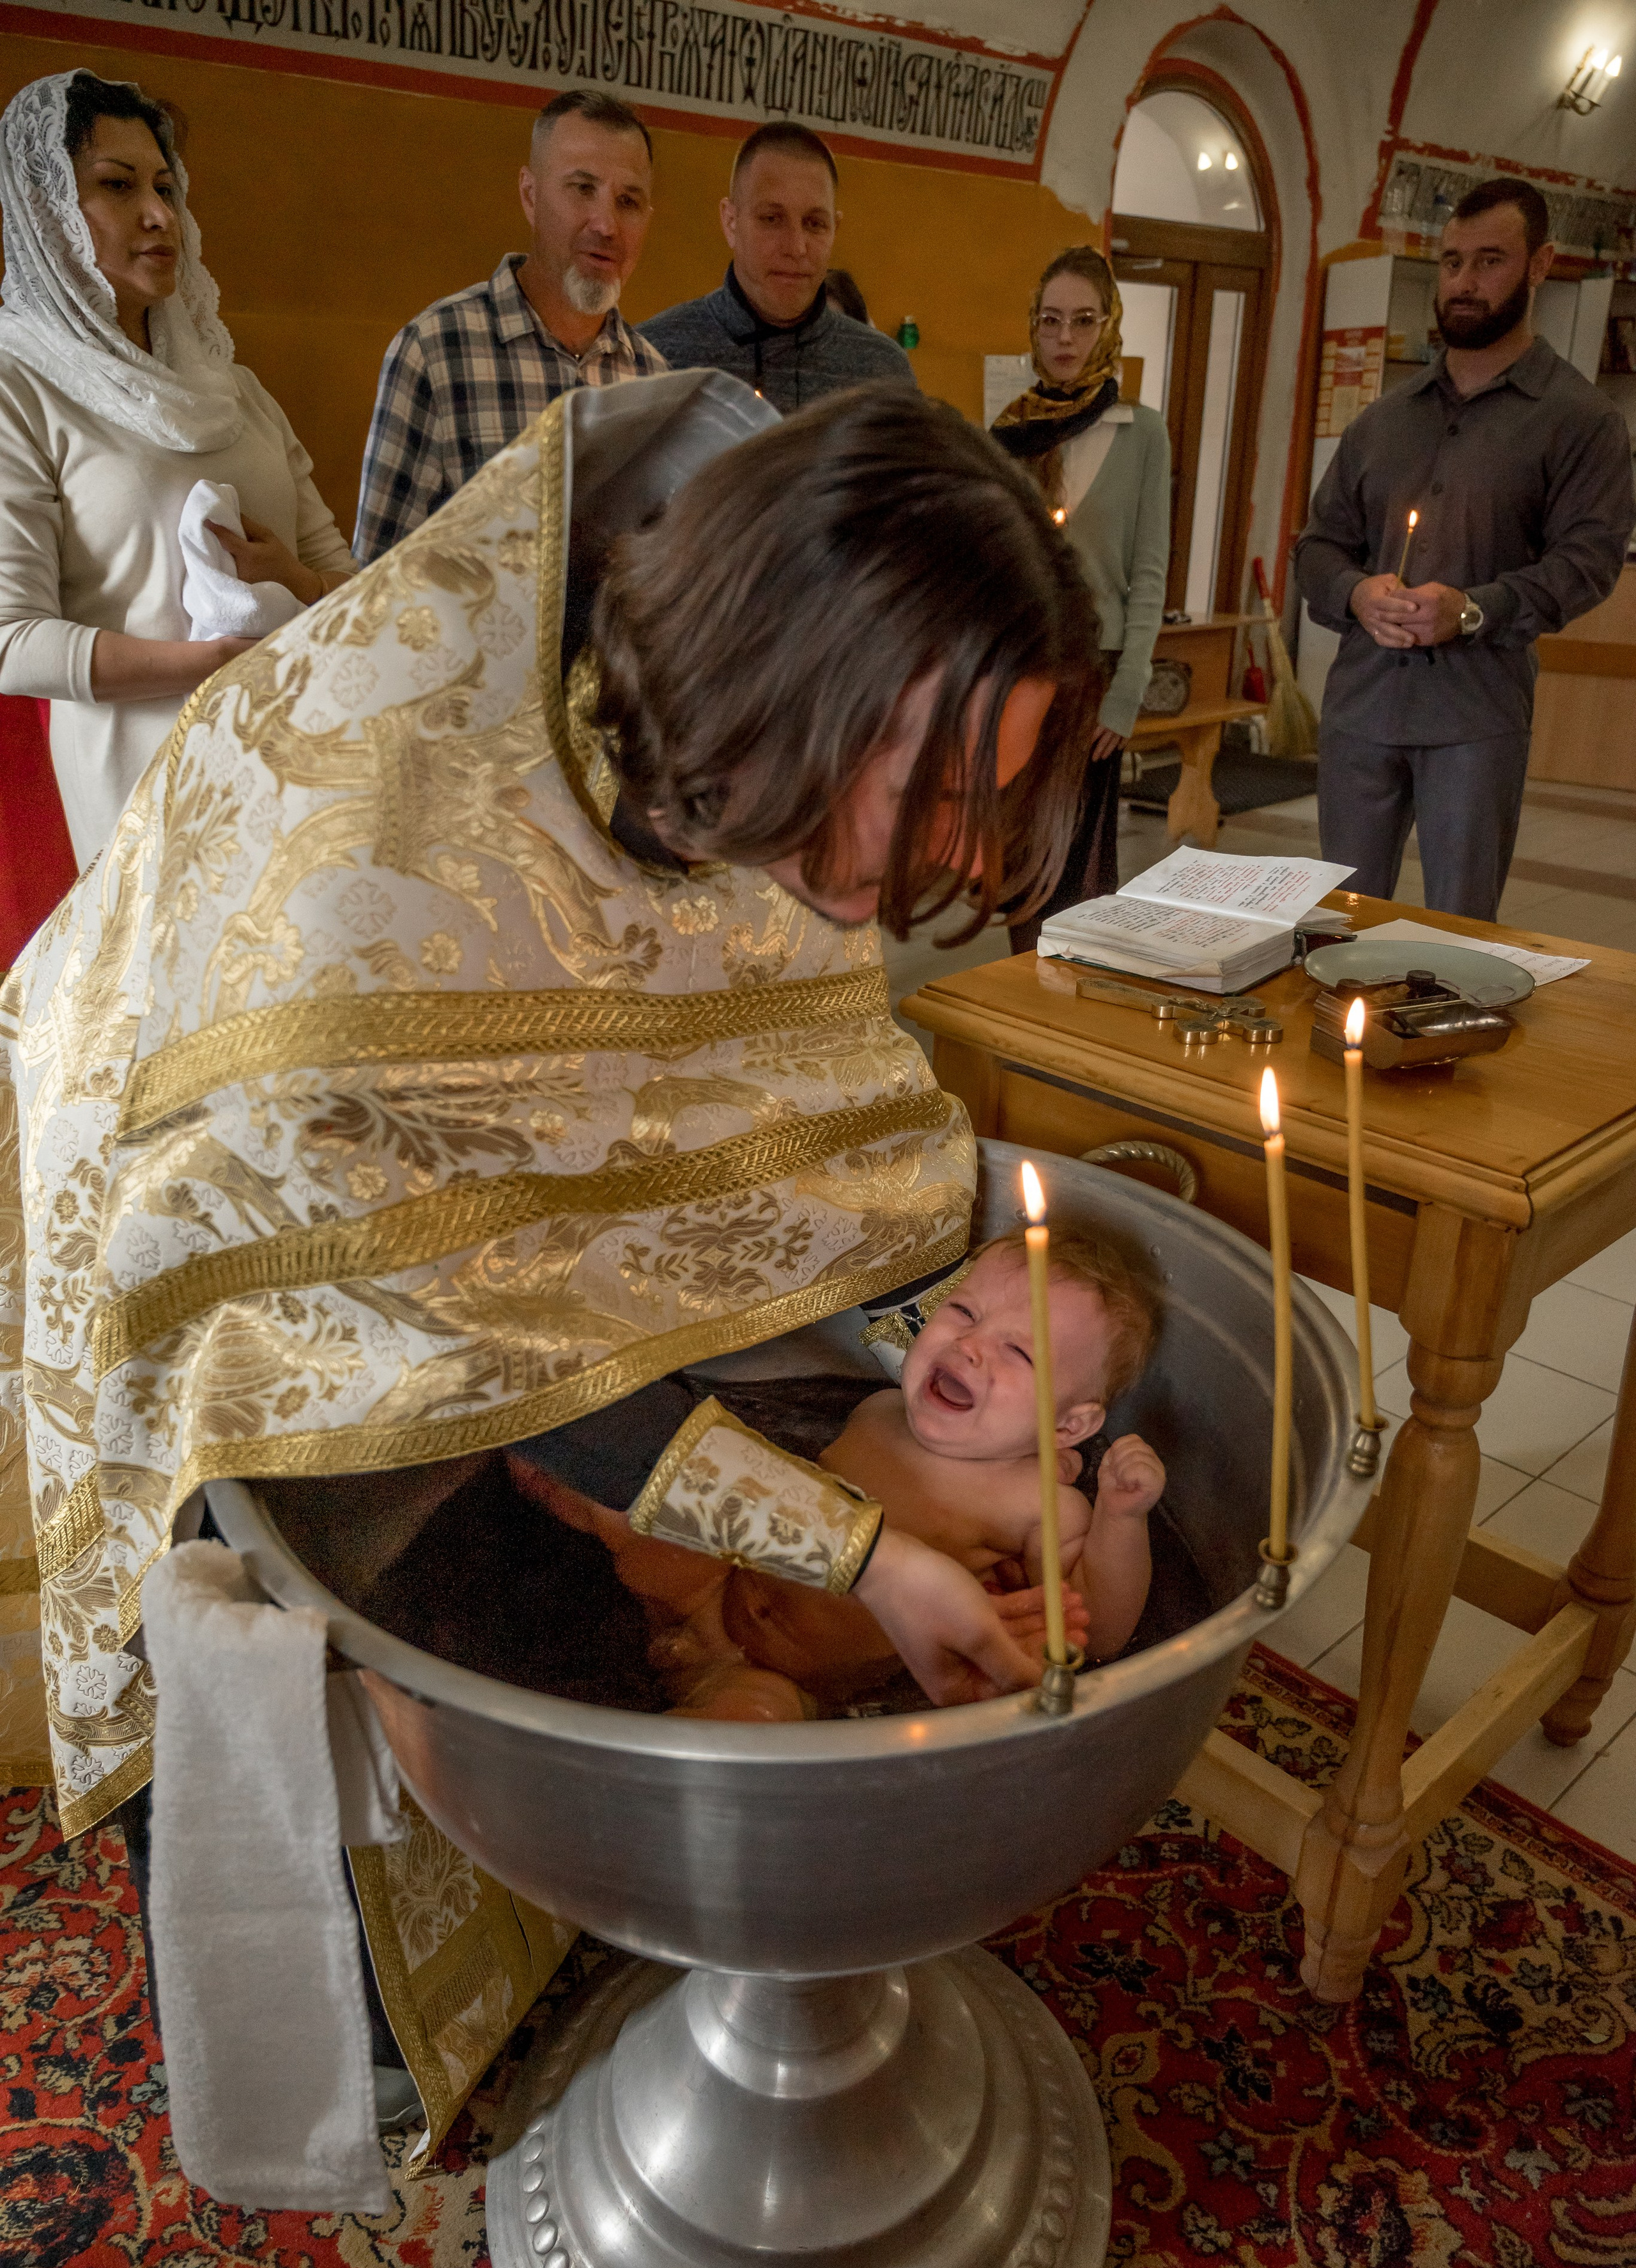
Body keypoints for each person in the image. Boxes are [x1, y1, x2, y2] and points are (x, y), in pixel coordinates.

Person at [0, 369, 1100, 2151]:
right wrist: (866, 1549)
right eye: (945, 790)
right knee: (404, 1638)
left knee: (585, 1615)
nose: (963, 855)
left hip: (424, 1247)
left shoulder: (750, 754)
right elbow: (456, 1337)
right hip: (219, 1235)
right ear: (801, 688)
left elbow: (766, 1120)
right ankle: (359, 2007)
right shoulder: (366, 867)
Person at [0, 70, 355, 870]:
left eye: (166, 186)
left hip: (290, 772)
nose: (161, 215)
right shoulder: (17, 382)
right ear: (46, 209)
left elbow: (349, 584)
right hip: (144, 803)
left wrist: (294, 579)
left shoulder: (234, 388)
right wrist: (209, 666)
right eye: (117, 187)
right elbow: (12, 640)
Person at [1296, 175, 1634, 922]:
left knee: (1457, 932)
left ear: (1539, 265)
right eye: (1451, 263)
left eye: (1489, 262)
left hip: (1473, 718)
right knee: (1338, 927)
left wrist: (1472, 611)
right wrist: (1355, 592)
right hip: (1362, 708)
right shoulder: (1382, 423)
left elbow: (1588, 561)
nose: (1464, 283)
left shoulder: (1579, 421)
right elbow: (1317, 548)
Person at [353, 88, 665, 564]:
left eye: (629, 201)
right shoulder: (436, 354)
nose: (606, 225)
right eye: (582, 189)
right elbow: (374, 584)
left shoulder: (656, 379)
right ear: (530, 196)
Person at [824, 1231, 1165, 1663]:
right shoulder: (878, 1411)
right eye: (963, 1310)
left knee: (751, 1708)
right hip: (723, 1586)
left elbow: (1093, 1632)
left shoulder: (1038, 1503)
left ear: (1067, 1425)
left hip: (824, 1667)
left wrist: (1121, 1517)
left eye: (1019, 1352)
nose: (969, 1344)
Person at [990, 245, 1170, 947]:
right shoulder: (1009, 432)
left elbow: (1150, 573)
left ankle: (1071, 993)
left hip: (1094, 670)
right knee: (1016, 855)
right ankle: (1019, 990)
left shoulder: (1141, 432)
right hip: (1019, 668)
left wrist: (1127, 693)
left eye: (1083, 321)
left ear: (1108, 329)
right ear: (1033, 327)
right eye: (1051, 321)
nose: (1065, 339)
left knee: (1076, 866)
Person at [638, 123, 915, 412]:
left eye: (814, 224)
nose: (796, 248)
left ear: (835, 228)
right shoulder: (656, 358)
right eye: (772, 219)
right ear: (731, 222)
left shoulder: (883, 374)